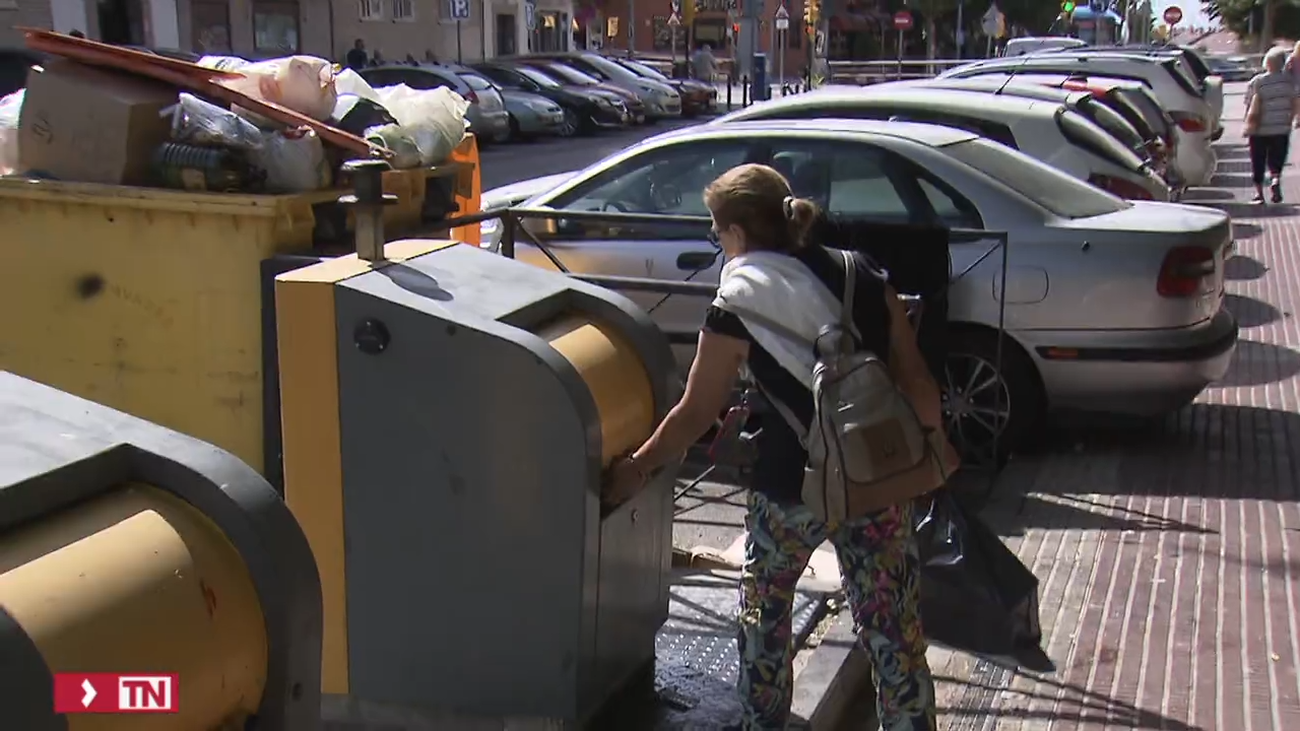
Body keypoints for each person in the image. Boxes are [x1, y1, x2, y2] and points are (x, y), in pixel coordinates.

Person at [604, 164, 941, 730]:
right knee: (894, 635)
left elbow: (695, 412)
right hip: (877, 482)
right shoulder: (862, 273)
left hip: (789, 490)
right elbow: (918, 384)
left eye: (718, 233)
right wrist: (930, 458)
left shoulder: (738, 300)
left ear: (735, 232)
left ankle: (765, 724)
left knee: (763, 617)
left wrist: (637, 468)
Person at [1243, 46, 1300, 204]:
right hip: (1281, 127)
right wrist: (1293, 119)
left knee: (1258, 159)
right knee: (1277, 156)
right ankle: (1275, 179)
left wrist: (1247, 123)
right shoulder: (1289, 82)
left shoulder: (1258, 81)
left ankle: (1259, 194)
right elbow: (1296, 101)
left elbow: (1248, 102)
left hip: (1259, 128)